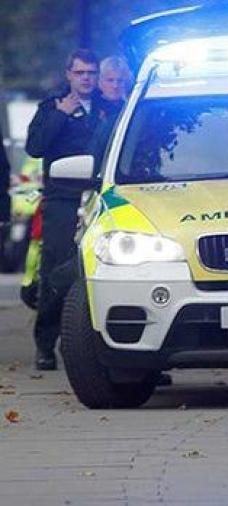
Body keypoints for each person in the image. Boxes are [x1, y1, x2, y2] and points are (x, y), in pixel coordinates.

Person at [25, 49, 108, 371]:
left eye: (91, 73)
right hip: (63, 200)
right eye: (80, 73)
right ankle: (46, 344)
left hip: (100, 199)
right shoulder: (50, 108)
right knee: (57, 271)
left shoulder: (108, 108)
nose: (86, 78)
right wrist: (61, 114)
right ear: (69, 75)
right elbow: (35, 146)